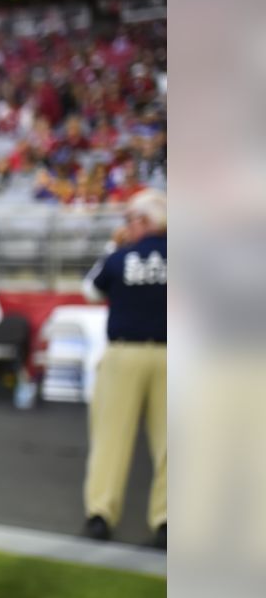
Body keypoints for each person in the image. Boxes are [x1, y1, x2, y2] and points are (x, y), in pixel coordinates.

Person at [81, 189, 167, 548]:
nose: (125, 226)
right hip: (172, 355)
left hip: (124, 353)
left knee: (110, 439)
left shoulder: (121, 256)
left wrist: (111, 248)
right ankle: (166, 520)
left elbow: (91, 289)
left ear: (144, 221)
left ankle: (101, 512)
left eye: (129, 218)